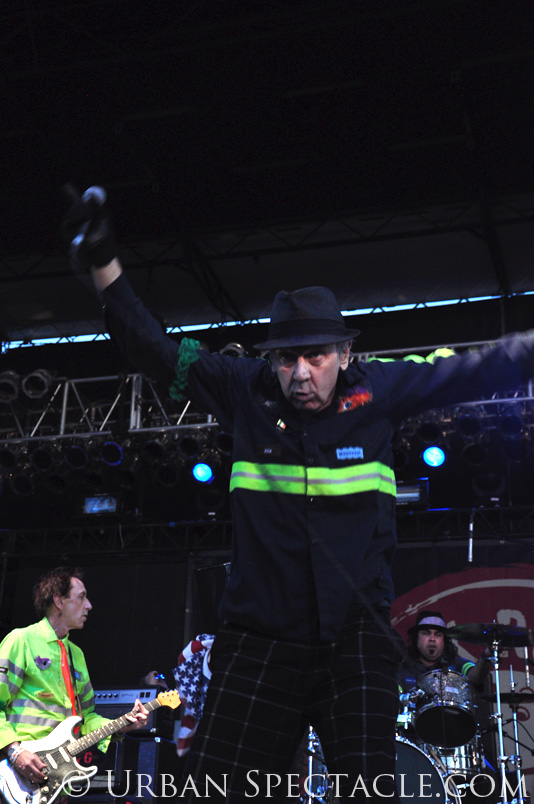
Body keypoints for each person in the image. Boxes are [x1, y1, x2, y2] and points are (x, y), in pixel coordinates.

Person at [61, 191, 534, 802]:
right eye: (287, 358)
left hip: (355, 643)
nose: (301, 373)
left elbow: (476, 368)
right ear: (272, 359)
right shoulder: (242, 389)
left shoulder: (379, 389)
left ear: (345, 353)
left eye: (316, 356)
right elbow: (152, 348)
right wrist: (104, 264)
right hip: (259, 641)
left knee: (369, 792)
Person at [0, 567, 149, 790]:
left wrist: (121, 725)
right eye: (81, 597)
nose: (89, 605)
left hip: (58, 780)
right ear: (59, 601)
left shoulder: (76, 655)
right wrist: (15, 751)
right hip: (15, 774)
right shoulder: (21, 640)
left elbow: (86, 718)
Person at [398, 610, 491, 692]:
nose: (432, 639)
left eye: (438, 634)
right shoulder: (401, 670)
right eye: (426, 633)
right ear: (416, 639)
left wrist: (486, 656)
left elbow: (476, 677)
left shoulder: (459, 665)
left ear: (445, 641)